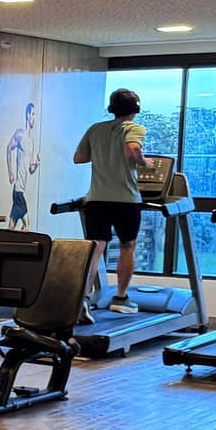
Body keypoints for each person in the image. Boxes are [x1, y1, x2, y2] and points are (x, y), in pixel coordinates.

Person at [74, 88, 150, 314]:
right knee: (128, 246)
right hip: (126, 200)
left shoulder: (96, 129)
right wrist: (145, 163)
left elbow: (79, 158)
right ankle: (121, 298)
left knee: (95, 248)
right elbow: (132, 150)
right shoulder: (134, 128)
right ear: (135, 109)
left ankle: (82, 300)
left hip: (96, 199)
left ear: (112, 108)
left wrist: (103, 154)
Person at [6, 102, 40, 229]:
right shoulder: (20, 134)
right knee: (27, 227)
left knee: (11, 226)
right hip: (18, 191)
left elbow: (30, 169)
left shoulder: (31, 141)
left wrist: (36, 164)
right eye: (32, 114)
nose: (34, 118)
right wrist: (10, 172)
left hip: (20, 190)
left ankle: (6, 241)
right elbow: (9, 149)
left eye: (35, 115)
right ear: (27, 115)